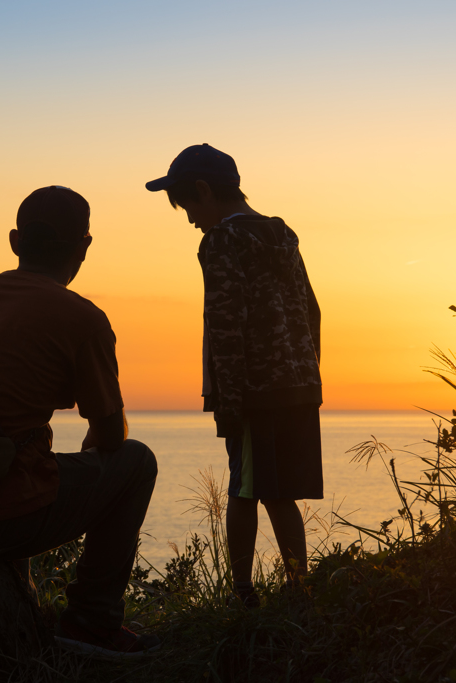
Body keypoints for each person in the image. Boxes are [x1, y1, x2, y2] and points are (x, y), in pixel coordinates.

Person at [0, 185, 160, 657]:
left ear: (16, 242)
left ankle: (25, 613)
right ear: (84, 247)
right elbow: (108, 437)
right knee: (136, 462)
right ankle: (92, 621)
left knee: (19, 456)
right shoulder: (81, 318)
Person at [145, 145, 323, 607]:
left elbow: (226, 324)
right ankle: (297, 588)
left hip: (252, 392)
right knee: (279, 491)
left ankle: (242, 594)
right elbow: (313, 311)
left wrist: (227, 402)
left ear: (204, 191)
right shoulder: (283, 234)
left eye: (188, 206)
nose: (189, 219)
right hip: (298, 384)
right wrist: (307, 372)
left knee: (243, 490)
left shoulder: (222, 242)